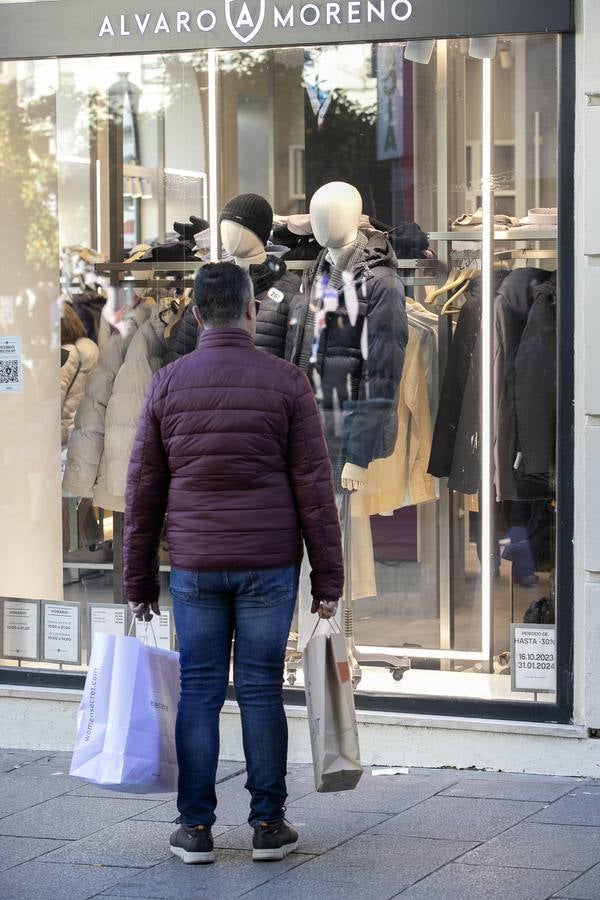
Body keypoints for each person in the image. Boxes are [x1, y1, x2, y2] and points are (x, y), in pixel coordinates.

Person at [123, 262, 344, 865]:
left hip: (195, 565)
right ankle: (268, 825)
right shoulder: (287, 382)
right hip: (270, 565)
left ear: (196, 314)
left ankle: (194, 829)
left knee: (198, 692)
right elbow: (313, 488)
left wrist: (137, 578)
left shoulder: (168, 383)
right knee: (260, 690)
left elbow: (143, 491)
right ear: (251, 311)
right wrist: (328, 578)